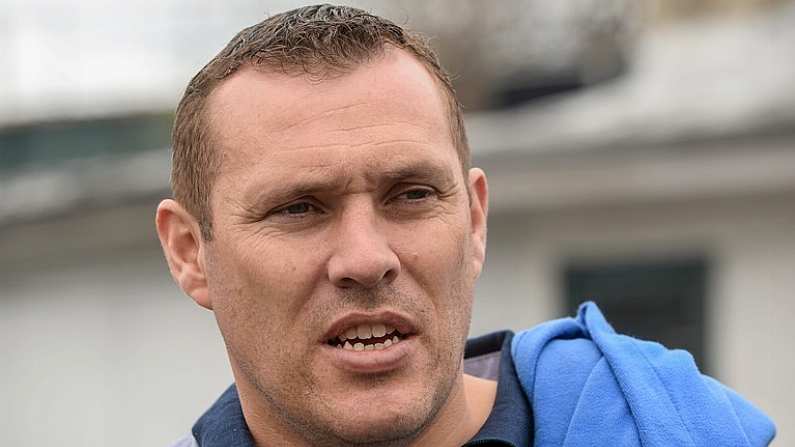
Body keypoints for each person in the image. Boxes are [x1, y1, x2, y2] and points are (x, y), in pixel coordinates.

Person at [156, 4, 776, 447]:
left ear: (474, 219)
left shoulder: (664, 424)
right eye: (298, 208)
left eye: (412, 194)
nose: (368, 258)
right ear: (190, 254)